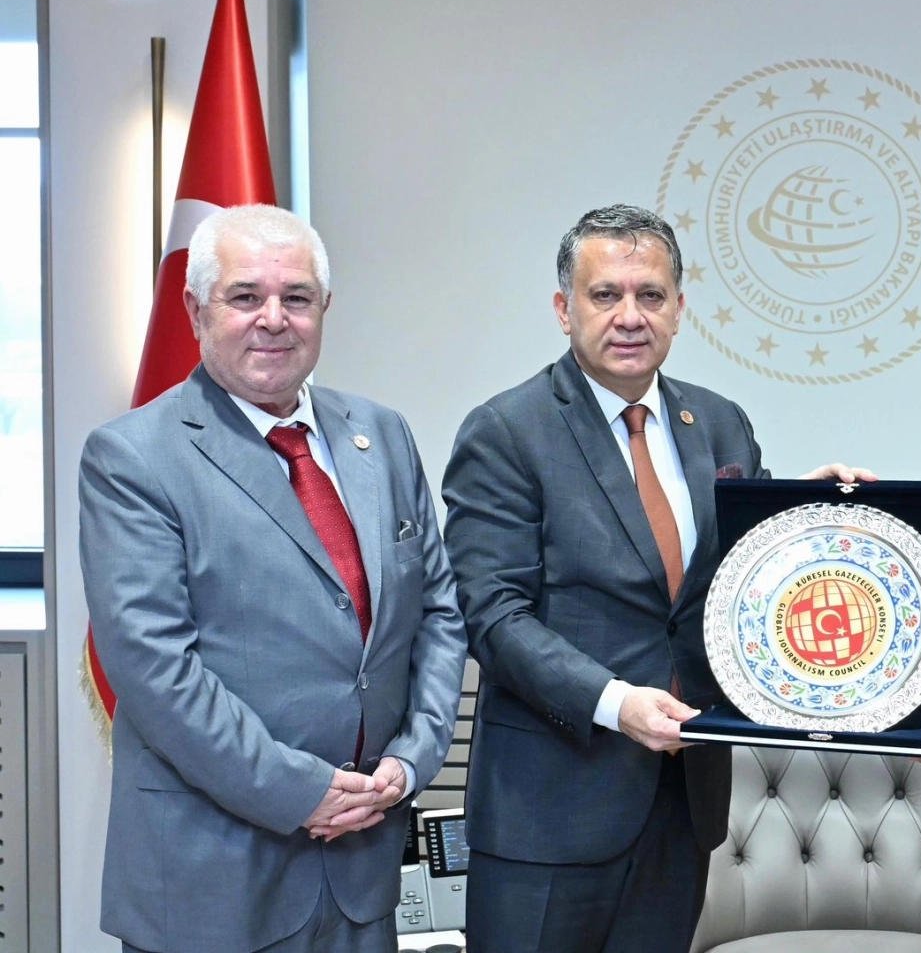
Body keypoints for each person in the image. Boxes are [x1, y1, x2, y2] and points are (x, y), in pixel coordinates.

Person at [443, 204, 870, 953]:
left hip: (681, 803)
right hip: (549, 808)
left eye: (650, 295)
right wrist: (616, 704)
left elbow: (742, 572)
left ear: (679, 308)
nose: (630, 316)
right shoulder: (507, 431)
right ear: (564, 309)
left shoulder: (719, 423)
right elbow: (493, 615)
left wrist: (806, 516)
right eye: (605, 295)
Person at [79, 204, 467, 953]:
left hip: (362, 865)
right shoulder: (133, 457)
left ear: (325, 308)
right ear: (195, 310)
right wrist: (301, 791)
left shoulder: (381, 435)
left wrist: (411, 759)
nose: (273, 319)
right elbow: (154, 669)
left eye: (296, 297)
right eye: (245, 296)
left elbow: (439, 614)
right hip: (211, 879)